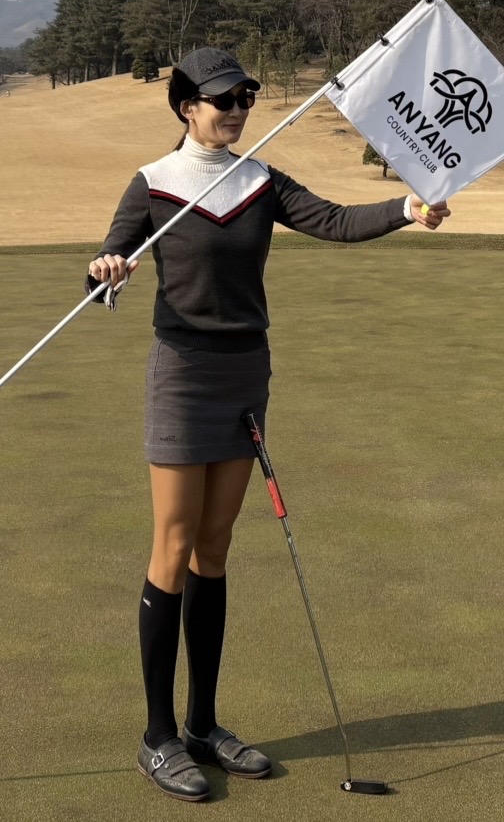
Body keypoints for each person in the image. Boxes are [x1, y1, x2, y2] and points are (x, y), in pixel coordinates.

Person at [87, 46, 450, 803]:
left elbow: (335, 220)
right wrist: (106, 271)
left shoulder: (258, 181)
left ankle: (202, 725)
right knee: (173, 546)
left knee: (214, 549)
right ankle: (157, 735)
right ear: (186, 107)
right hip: (184, 375)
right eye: (222, 100)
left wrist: (407, 210)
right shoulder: (154, 184)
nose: (237, 110)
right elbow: (105, 265)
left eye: (245, 98)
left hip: (246, 374)